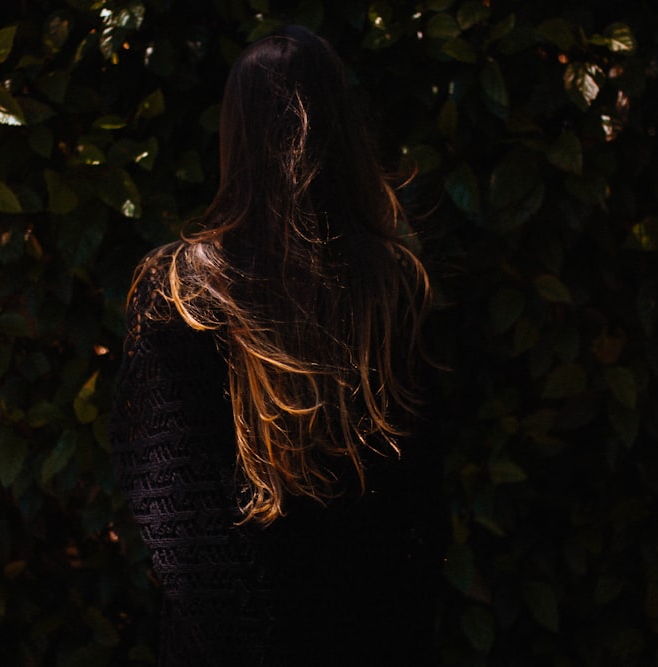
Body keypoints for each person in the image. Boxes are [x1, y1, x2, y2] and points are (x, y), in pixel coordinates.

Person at [111, 25, 446, 666]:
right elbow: (421, 513)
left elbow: (177, 515)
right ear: (343, 129)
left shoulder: (180, 287)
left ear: (234, 135)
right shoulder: (393, 284)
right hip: (363, 633)